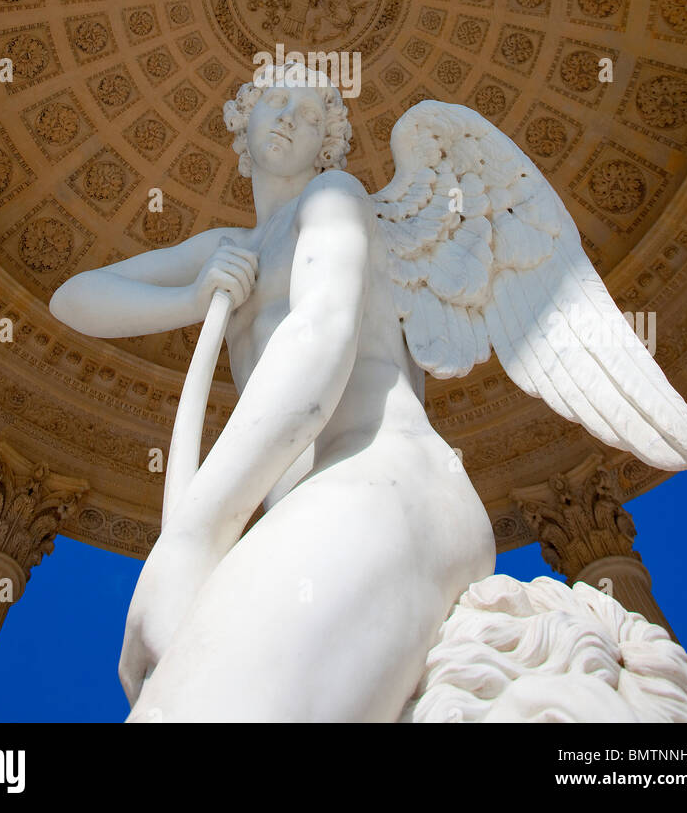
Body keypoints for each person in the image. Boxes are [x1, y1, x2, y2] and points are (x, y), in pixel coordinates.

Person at [49, 61, 496, 721]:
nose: (290, 116)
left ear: (329, 145)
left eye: (312, 114)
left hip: (382, 484)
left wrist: (191, 540)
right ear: (242, 121)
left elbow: (318, 338)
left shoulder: (337, 199)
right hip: (316, 507)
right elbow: (73, 299)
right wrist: (192, 296)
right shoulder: (228, 245)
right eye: (276, 101)